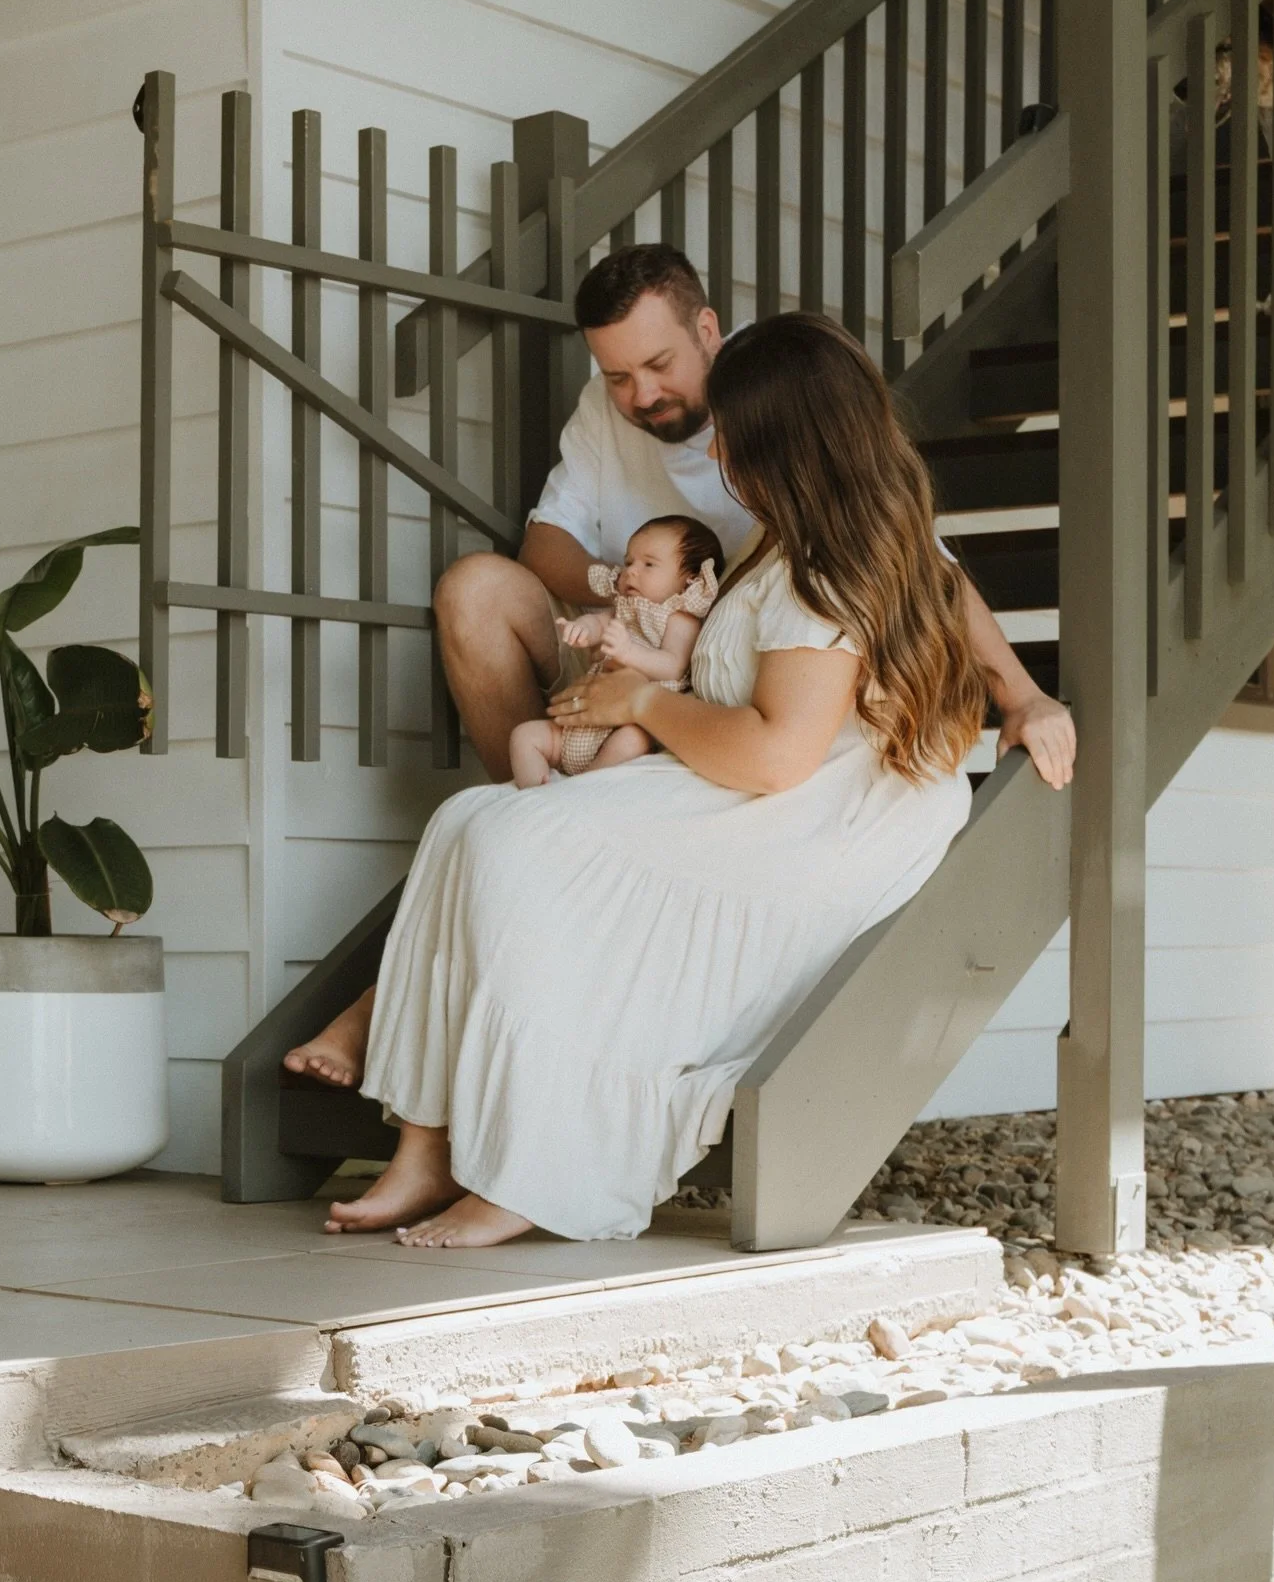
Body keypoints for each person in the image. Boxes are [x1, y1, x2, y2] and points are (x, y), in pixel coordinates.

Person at [282, 244, 1075, 1087]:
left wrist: (1021, 693)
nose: (641, 396)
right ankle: (549, 816)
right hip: (626, 643)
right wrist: (623, 591)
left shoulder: (777, 414)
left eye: (657, 366)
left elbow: (921, 567)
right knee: (475, 590)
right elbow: (543, 541)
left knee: (527, 841)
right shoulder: (608, 408)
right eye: (617, 375)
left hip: (721, 686)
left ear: (707, 330)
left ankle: (540, 868)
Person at [323, 313, 988, 1246]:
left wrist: (636, 704)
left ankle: (531, 1169)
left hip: (813, 817)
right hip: (756, 788)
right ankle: (426, 1148)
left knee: (517, 845)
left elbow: (776, 755)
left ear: (787, 444)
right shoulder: (789, 542)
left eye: (736, 433)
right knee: (472, 822)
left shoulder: (827, 570)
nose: (717, 447)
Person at [510, 514, 722, 787]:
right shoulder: (625, 607)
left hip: (624, 727)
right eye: (629, 562)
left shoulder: (679, 617)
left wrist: (628, 652)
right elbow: (600, 622)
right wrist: (582, 629)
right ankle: (534, 795)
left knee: (634, 740)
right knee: (524, 736)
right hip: (580, 725)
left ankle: (577, 789)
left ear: (689, 580)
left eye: (649, 564)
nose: (631, 570)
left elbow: (674, 665)